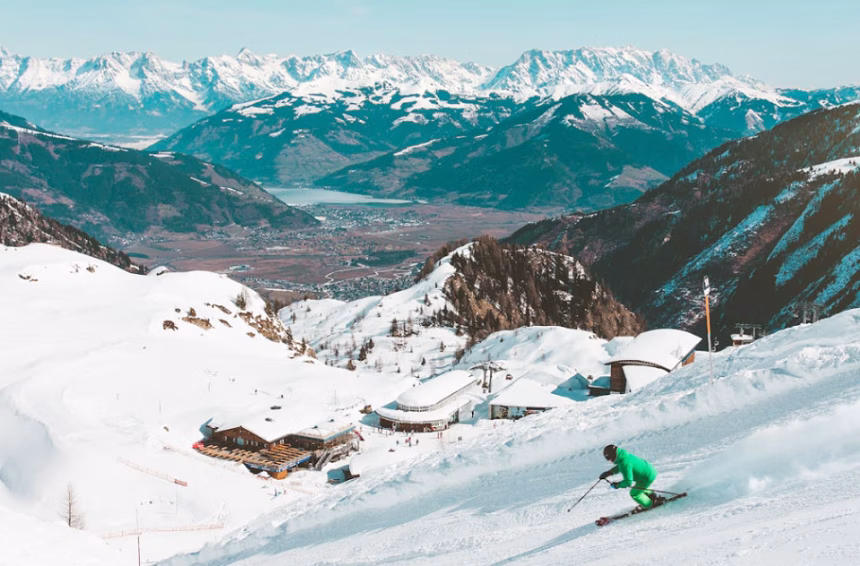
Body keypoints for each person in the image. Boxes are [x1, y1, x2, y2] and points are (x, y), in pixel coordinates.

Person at [599, 444, 663, 510]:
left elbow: (628, 482)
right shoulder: (623, 455)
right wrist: (609, 472)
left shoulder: (624, 463)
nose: (610, 461)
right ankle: (651, 495)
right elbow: (621, 466)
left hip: (646, 477)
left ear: (613, 456)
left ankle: (650, 504)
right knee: (638, 488)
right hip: (649, 470)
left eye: (609, 459)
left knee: (634, 493)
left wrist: (617, 485)